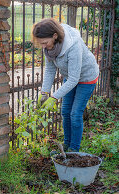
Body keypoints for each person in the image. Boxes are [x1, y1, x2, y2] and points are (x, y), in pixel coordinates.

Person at [32, 18, 99, 152]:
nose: (43, 46)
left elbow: (75, 79)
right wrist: (44, 92)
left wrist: (54, 97)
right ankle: (67, 145)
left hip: (86, 78)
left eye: (45, 42)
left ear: (55, 36)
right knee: (65, 112)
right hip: (71, 77)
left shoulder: (73, 46)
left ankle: (74, 149)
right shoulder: (50, 49)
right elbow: (50, 70)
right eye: (41, 44)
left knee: (75, 114)